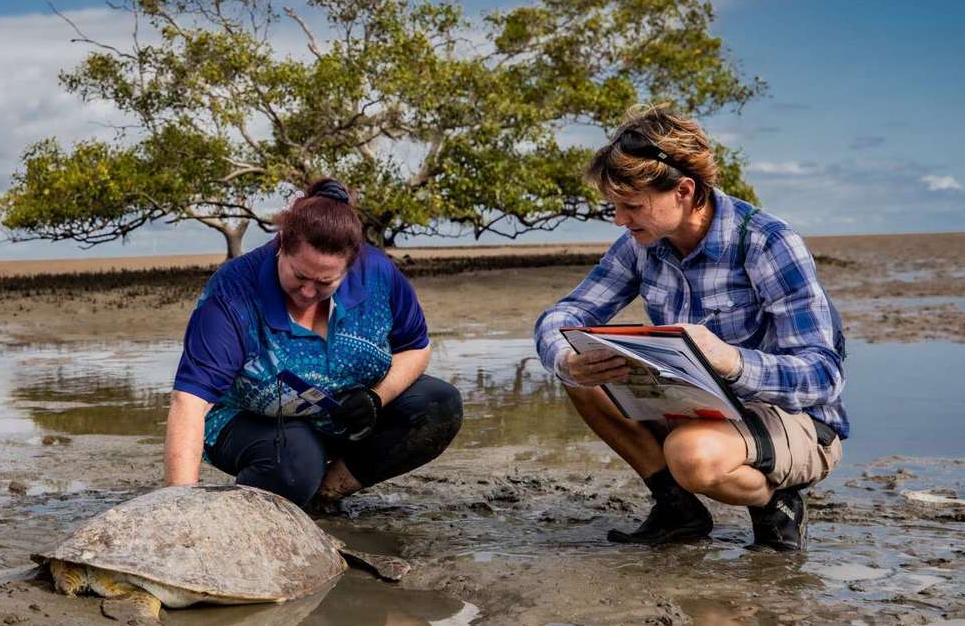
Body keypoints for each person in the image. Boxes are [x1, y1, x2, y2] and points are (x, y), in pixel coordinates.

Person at [534, 106, 847, 552]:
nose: (620, 220)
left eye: (631, 206)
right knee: (583, 377)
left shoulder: (766, 242)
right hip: (697, 406)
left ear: (684, 190)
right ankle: (677, 509)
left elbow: (823, 377)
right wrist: (566, 358)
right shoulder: (639, 246)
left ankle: (775, 502)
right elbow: (563, 314)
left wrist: (730, 360)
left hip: (795, 420)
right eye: (615, 207)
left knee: (691, 454)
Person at [164, 178, 463, 509]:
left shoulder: (378, 273)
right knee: (294, 465)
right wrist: (181, 510)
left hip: (339, 415)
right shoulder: (233, 294)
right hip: (247, 419)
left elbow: (416, 348)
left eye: (324, 282)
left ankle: (327, 492)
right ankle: (265, 503)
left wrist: (376, 398)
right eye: (299, 276)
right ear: (281, 247)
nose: (307, 293)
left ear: (350, 267)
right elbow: (190, 402)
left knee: (439, 404)